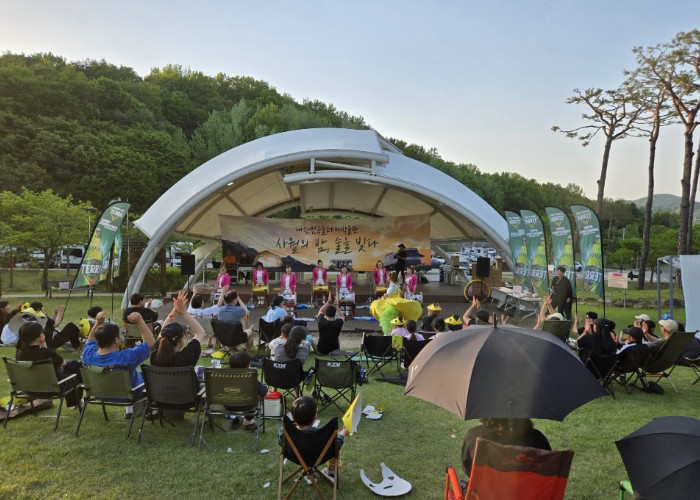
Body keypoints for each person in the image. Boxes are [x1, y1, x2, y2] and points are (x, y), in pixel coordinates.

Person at [279, 396, 349, 482]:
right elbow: (336, 445)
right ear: (315, 416)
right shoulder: (323, 435)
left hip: (296, 457)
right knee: (334, 441)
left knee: (307, 449)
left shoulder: (285, 432)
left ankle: (310, 475)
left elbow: (281, 443)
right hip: (319, 458)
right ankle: (331, 472)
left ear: (292, 417)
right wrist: (343, 433)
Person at [15, 321, 82, 407]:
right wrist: (44, 347)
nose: (44, 333)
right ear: (36, 338)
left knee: (73, 363)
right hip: (50, 388)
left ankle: (75, 403)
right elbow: (63, 364)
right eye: (42, 332)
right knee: (75, 376)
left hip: (29, 388)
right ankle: (75, 403)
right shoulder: (46, 353)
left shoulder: (20, 353)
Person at [83, 310, 155, 390]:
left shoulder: (88, 354)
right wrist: (140, 321)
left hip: (100, 393)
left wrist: (97, 323)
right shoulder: (126, 357)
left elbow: (90, 340)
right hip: (132, 393)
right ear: (116, 340)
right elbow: (150, 343)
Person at [462, 418, 551, 476]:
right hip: (530, 494)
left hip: (484, 495)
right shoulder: (538, 438)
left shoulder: (474, 435)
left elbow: (468, 470)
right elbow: (547, 471)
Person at [151, 291, 207, 367]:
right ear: (181, 340)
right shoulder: (185, 358)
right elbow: (200, 332)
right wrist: (184, 312)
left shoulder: (155, 356)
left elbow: (162, 332)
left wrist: (175, 311)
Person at [227, 351, 268, 431]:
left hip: (227, 404)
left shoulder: (222, 377)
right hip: (247, 405)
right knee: (256, 395)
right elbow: (265, 393)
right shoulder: (251, 378)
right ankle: (248, 421)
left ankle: (239, 417)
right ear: (248, 365)